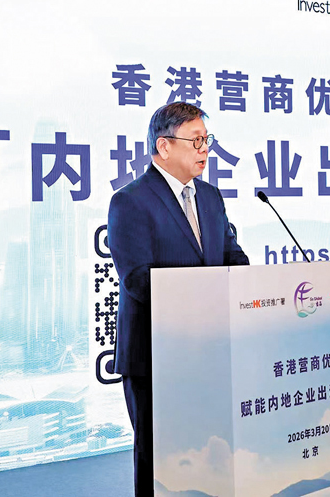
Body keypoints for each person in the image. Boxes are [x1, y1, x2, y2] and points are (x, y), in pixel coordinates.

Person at [107, 102, 249, 496]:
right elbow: (138, 279)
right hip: (155, 355)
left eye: (208, 140)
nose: (205, 149)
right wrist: (206, 296)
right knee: (159, 462)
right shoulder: (130, 201)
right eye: (196, 140)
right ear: (164, 146)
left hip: (210, 351)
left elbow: (231, 256)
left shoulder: (211, 197)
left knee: (207, 456)